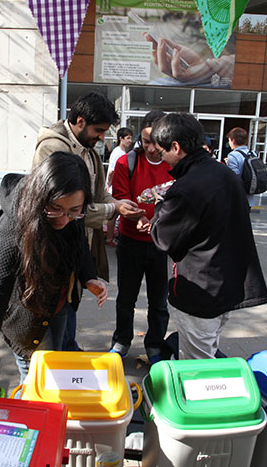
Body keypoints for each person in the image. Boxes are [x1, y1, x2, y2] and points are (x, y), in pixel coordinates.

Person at [0, 152, 107, 417]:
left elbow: (78, 245)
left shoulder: (72, 216)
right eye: (54, 208)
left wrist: (88, 276)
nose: (62, 219)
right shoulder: (13, 227)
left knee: (55, 359)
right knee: (34, 379)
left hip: (58, 304)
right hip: (25, 318)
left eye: (73, 211)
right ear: (40, 196)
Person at [148, 112, 267, 360]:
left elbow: (163, 239)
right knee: (208, 349)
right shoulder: (225, 174)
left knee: (199, 367)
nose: (163, 161)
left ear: (176, 147)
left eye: (162, 153)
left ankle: (202, 397)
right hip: (227, 285)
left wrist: (160, 205)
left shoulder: (187, 187)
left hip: (200, 291)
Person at [32, 92, 144, 350]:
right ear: (80, 121)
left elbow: (98, 196)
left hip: (80, 246)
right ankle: (58, 356)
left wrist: (118, 204)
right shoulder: (52, 147)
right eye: (99, 130)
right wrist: (113, 209)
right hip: (54, 249)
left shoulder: (91, 153)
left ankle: (68, 350)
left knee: (71, 304)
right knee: (55, 310)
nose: (102, 137)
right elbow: (66, 209)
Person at [109, 111, 171, 364]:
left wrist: (157, 223)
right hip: (130, 240)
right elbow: (121, 198)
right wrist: (139, 218)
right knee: (126, 297)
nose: (152, 148)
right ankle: (121, 340)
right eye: (146, 141)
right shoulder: (127, 163)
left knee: (159, 300)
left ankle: (155, 344)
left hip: (161, 243)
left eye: (156, 142)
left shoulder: (175, 165)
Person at [106, 127, 134, 246]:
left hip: (113, 186)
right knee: (114, 213)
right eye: (127, 138)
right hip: (113, 187)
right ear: (120, 138)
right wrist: (108, 185)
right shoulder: (119, 153)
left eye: (131, 138)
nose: (130, 141)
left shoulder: (119, 151)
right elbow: (112, 171)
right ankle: (109, 238)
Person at [226, 126, 256, 205]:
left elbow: (233, 177)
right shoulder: (252, 153)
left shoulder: (233, 155)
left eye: (229, 140)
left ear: (233, 140)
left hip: (237, 198)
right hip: (249, 198)